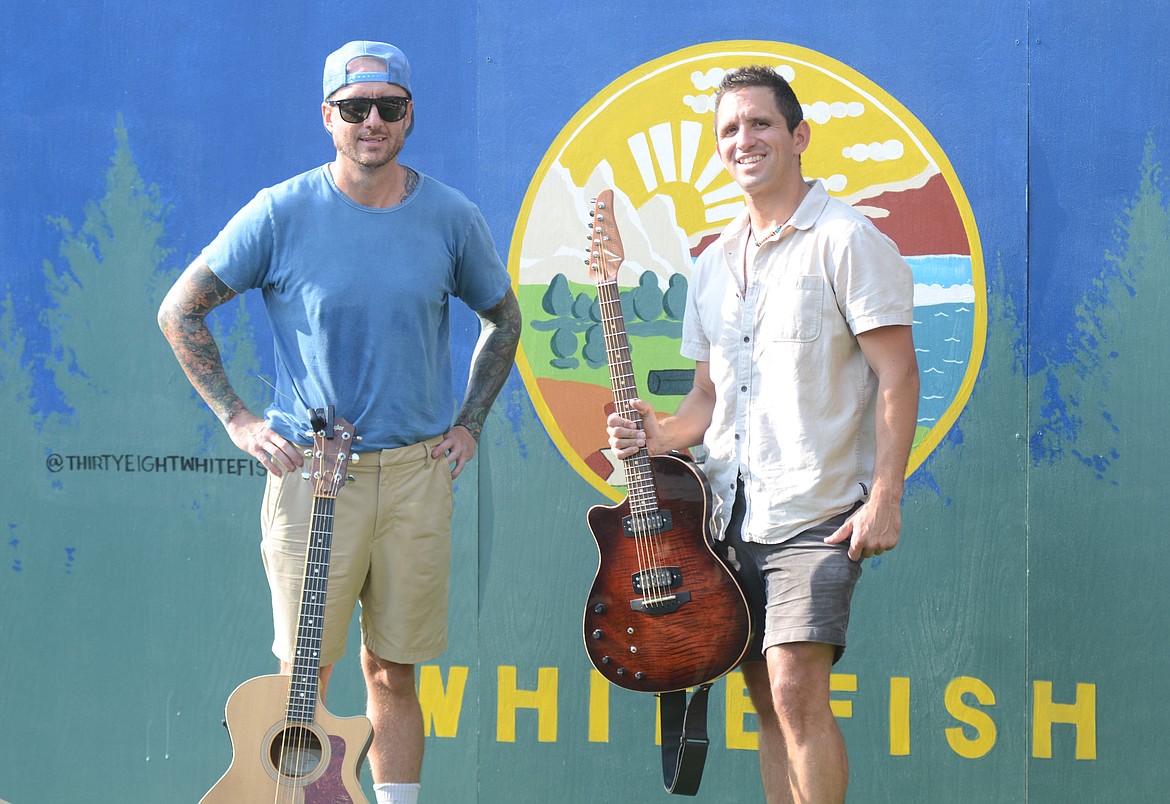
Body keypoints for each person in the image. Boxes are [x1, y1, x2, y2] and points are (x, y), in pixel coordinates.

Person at [158, 40, 521, 804]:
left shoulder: (451, 217)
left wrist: (471, 423)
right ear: (328, 116)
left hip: (418, 477)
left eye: (388, 106)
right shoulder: (280, 211)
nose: (372, 121)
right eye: (355, 108)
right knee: (306, 676)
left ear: (409, 115)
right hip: (313, 479)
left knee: (394, 671)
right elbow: (180, 310)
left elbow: (503, 318)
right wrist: (236, 418)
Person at [606, 65, 919, 802]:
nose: (743, 139)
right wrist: (654, 434)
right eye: (729, 130)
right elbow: (705, 403)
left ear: (798, 136)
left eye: (760, 123)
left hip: (816, 511)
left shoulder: (846, 239)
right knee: (765, 700)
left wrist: (886, 498)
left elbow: (899, 378)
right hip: (724, 521)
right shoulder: (712, 264)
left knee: (794, 684)